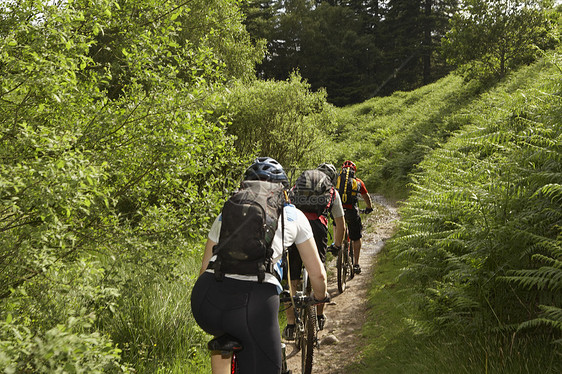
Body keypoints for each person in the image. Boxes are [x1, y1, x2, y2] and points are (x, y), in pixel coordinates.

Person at [190, 157, 329, 374]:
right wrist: (320, 297)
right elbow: (318, 275)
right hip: (254, 305)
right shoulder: (293, 215)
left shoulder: (226, 213)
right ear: (282, 188)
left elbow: (204, 268)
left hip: (205, 302)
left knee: (223, 338)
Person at [283, 163, 346, 340]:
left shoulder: (299, 185)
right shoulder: (332, 192)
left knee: (291, 278)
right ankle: (319, 316)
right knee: (317, 271)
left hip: (296, 226)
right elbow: (340, 224)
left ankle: (290, 325)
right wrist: (337, 245)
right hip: (317, 230)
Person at [336, 160, 373, 274]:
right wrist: (369, 207)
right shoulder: (358, 182)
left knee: (337, 226)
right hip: (352, 212)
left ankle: (337, 247)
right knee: (356, 237)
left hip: (338, 212)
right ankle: (356, 263)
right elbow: (366, 196)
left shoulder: (336, 181)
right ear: (354, 171)